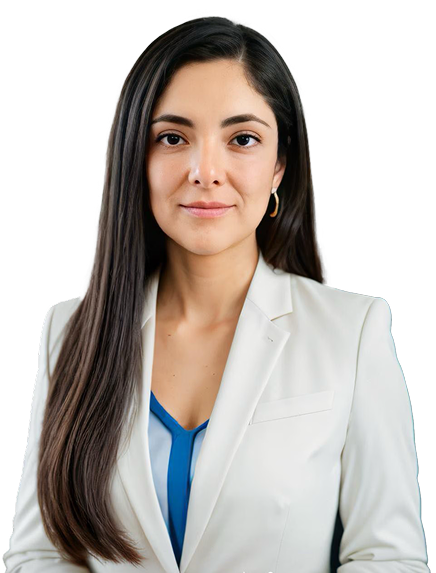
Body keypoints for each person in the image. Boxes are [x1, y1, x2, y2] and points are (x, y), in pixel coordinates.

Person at [3, 13, 429, 573]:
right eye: (172, 138)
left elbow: (387, 558)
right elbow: (41, 554)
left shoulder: (353, 333)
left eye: (242, 139)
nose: (205, 171)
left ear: (280, 166)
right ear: (136, 160)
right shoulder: (68, 333)